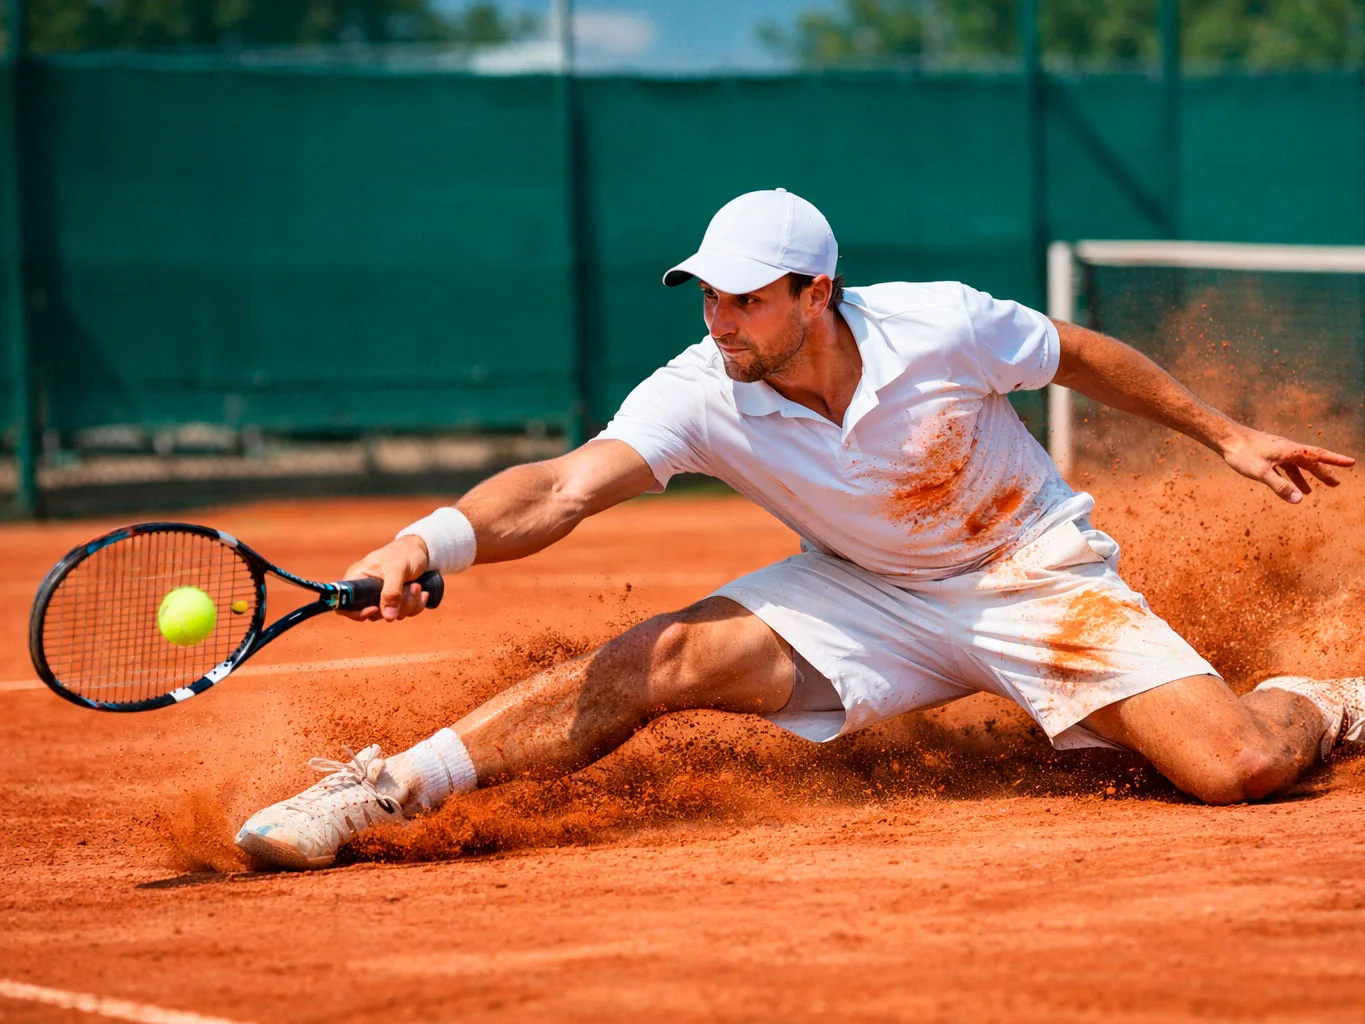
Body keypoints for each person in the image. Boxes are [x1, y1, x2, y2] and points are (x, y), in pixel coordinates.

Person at [235, 189, 1360, 870]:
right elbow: (562, 487)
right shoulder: (701, 386)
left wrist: (1225, 435)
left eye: (746, 299)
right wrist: (427, 541)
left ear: (816, 292)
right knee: (657, 657)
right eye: (707, 296)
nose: (720, 320)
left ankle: (1325, 698)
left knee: (1238, 767)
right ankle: (380, 792)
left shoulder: (941, 326)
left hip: (1031, 573)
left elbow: (1080, 355)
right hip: (864, 591)